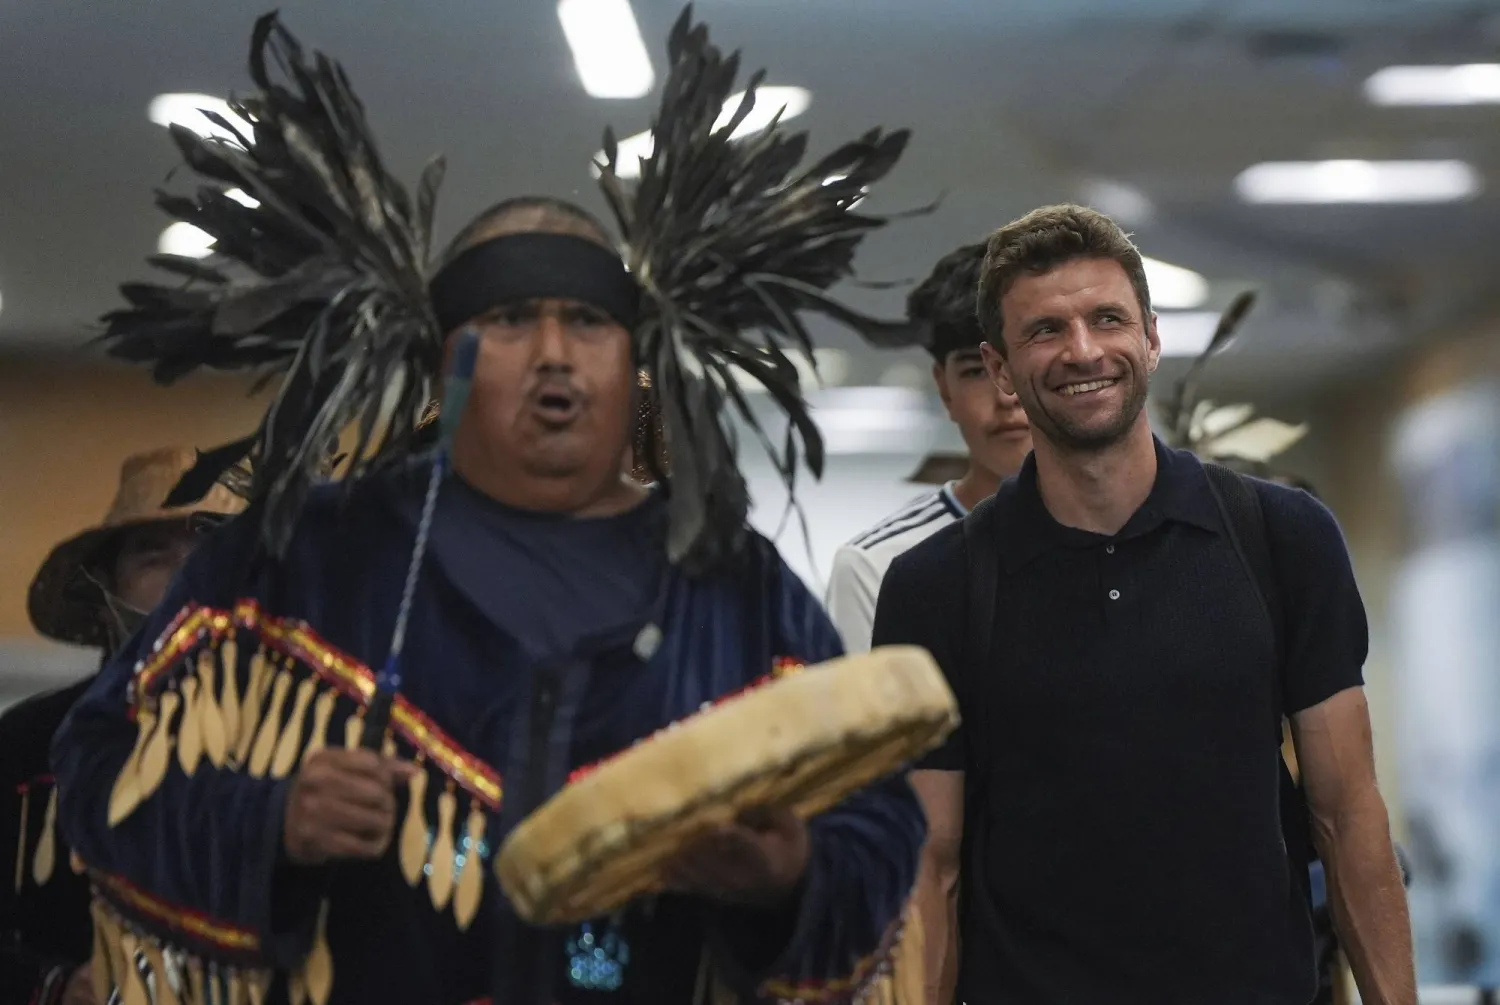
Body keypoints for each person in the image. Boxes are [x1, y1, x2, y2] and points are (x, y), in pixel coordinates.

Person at [54, 12, 925, 1005]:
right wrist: (270, 820)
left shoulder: (730, 586)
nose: (554, 354)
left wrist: (793, 874)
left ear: (636, 364)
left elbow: (882, 825)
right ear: (443, 362)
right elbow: (98, 766)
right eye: (510, 319)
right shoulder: (304, 556)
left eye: (589, 322)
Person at [874, 204, 1415, 1005]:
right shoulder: (935, 584)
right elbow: (933, 865)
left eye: (1106, 319)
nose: (1082, 350)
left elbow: (1347, 814)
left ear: (1152, 338)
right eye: (1045, 330)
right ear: (1000, 367)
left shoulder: (1281, 537)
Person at [0, 447, 245, 1005]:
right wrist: (55, 988)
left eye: (209, 551)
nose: (183, 579)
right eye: (153, 557)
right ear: (103, 584)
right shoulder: (28, 746)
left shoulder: (298, 744)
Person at [825, 243, 1031, 654]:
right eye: (976, 370)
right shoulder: (873, 568)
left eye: (1022, 360)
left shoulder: (1129, 536)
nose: (1006, 395)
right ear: (944, 388)